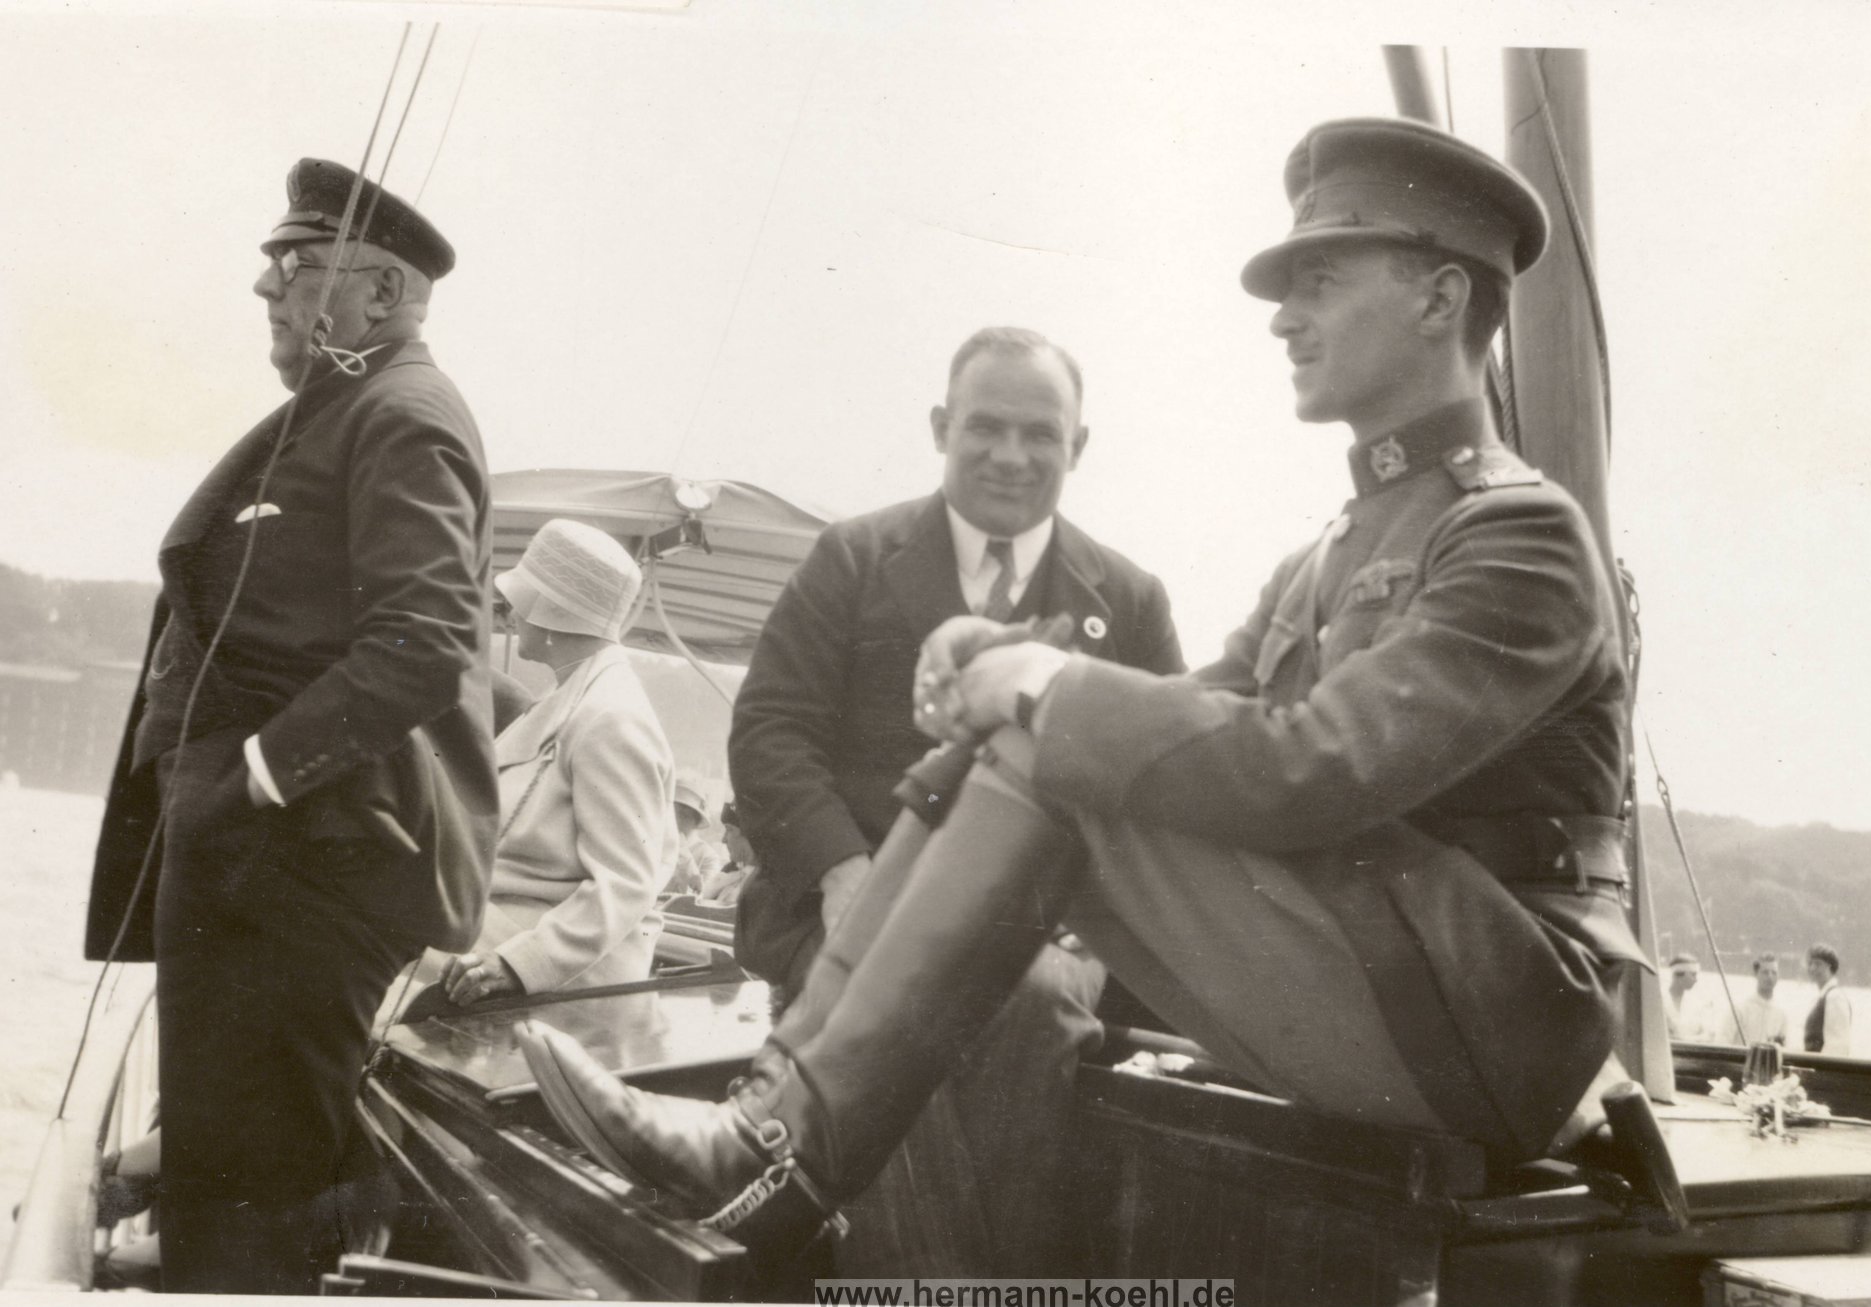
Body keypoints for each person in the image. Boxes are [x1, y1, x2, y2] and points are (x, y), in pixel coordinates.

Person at [515, 117, 1648, 1262]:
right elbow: (1185, 727)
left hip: (1500, 1021)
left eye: (1320, 279)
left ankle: (772, 1157)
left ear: (1439, 298)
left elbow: (1305, 771)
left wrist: (1037, 681)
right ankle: (770, 1132)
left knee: (1040, 743)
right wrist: (1005, 677)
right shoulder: (1330, 551)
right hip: (1386, 979)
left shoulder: (1520, 534)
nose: (1282, 316)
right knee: (1014, 742)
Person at [83, 158, 495, 1294]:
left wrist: (254, 775)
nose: (266, 287)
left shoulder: (400, 415)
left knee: (249, 1207)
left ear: (381, 292)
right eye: (274, 264)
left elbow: (424, 642)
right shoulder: (350, 405)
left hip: (302, 861)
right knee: (221, 1179)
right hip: (267, 866)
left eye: (297, 264)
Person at [726, 326, 1182, 1274]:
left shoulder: (1131, 600)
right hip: (853, 911)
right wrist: (843, 876)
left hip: (1049, 932)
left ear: (1078, 446)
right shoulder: (851, 559)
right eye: (986, 427)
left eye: (1040, 433)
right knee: (898, 988)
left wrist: (1095, 917)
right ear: (942, 427)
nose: (1011, 454)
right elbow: (771, 732)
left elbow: (1158, 787)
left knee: (1027, 992)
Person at [439, 519, 679, 1007]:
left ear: (553, 612)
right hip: (509, 923)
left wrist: (518, 963)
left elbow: (625, 883)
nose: (510, 614)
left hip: (559, 960)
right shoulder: (573, 695)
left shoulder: (609, 717)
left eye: (521, 601)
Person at [1721, 953, 1790, 1047]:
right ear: (1755, 974)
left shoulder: (1782, 1014)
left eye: (1774, 973)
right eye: (1765, 972)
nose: (1770, 977)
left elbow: (1785, 1047)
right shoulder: (1739, 1009)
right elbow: (1723, 1041)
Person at [1805, 943, 1855, 1055]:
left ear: (1830, 967)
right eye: (1810, 963)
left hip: (1822, 1065)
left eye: (1818, 964)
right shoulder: (1823, 997)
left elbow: (1837, 1045)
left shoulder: (1835, 997)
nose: (1812, 968)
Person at [1663, 951, 1705, 1041]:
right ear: (1678, 975)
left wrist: (1684, 1039)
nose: (1696, 979)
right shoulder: (1660, 1000)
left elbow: (1707, 1035)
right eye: (1693, 975)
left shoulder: (1697, 1003)